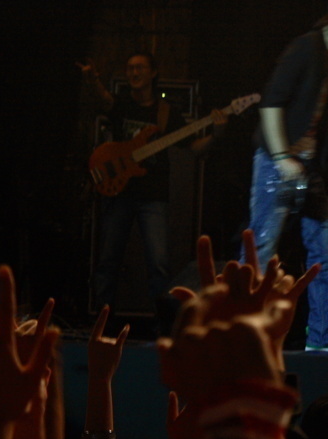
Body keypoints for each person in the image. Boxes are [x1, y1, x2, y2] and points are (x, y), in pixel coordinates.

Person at [246, 0, 328, 355]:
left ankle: (323, 336)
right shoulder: (305, 48)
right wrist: (280, 157)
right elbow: (271, 103)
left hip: (306, 168)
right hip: (279, 164)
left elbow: (319, 117)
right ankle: (234, 331)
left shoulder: (327, 61)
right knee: (259, 249)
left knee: (325, 249)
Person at [80, 53, 224, 326]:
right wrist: (92, 78)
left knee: (158, 264)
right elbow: (103, 99)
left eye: (139, 68)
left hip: (153, 197)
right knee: (108, 261)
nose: (133, 73)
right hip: (120, 192)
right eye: (130, 68)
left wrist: (217, 134)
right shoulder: (121, 104)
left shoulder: (166, 112)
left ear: (153, 73)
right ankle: (101, 326)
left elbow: (193, 148)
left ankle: (164, 329)